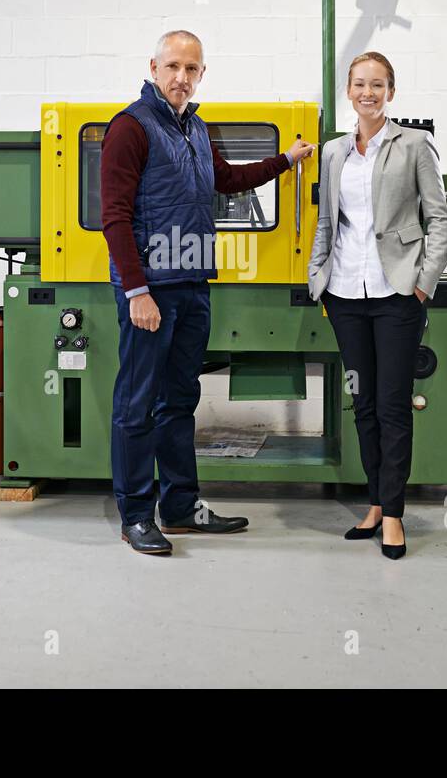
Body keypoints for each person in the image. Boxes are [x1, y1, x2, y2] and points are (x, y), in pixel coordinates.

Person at [101, 30, 315, 555]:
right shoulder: (130, 127)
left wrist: (284, 161)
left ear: (201, 74)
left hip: (194, 286)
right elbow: (114, 217)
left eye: (191, 69)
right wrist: (137, 291)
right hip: (151, 291)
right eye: (173, 66)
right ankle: (135, 515)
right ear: (153, 67)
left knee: (180, 402)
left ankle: (180, 507)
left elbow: (226, 179)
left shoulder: (196, 127)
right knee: (137, 404)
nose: (181, 77)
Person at [307, 51, 447, 560]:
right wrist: (317, 277)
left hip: (396, 294)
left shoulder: (414, 145)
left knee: (393, 407)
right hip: (345, 293)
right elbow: (328, 221)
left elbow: (439, 219)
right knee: (363, 404)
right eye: (359, 84)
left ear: (391, 91)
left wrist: (423, 283)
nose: (368, 93)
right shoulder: (333, 153)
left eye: (378, 85)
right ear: (349, 92)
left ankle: (393, 516)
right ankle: (374, 502)